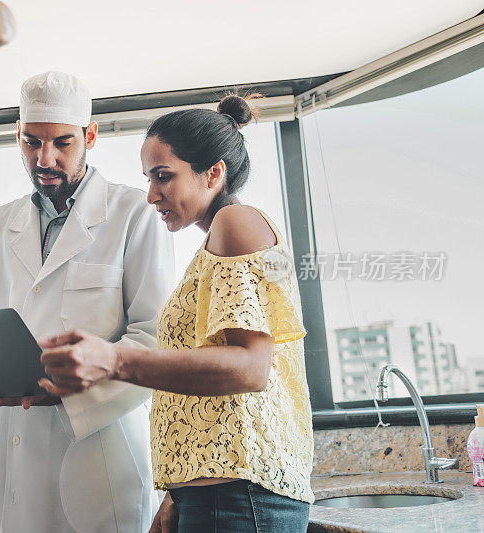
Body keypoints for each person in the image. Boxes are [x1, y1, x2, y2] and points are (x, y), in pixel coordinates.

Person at [39, 94, 314, 532]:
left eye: (163, 177)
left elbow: (251, 369)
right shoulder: (225, 238)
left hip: (238, 496)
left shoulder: (236, 223)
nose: (151, 195)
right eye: (148, 178)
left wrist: (112, 359)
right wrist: (178, 494)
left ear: (214, 173)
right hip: (219, 491)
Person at [0, 71, 174, 532]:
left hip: (96, 458)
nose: (43, 157)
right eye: (31, 142)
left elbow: (156, 338)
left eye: (62, 143)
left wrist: (67, 393)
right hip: (3, 455)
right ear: (17, 136)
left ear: (90, 136)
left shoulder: (134, 214)